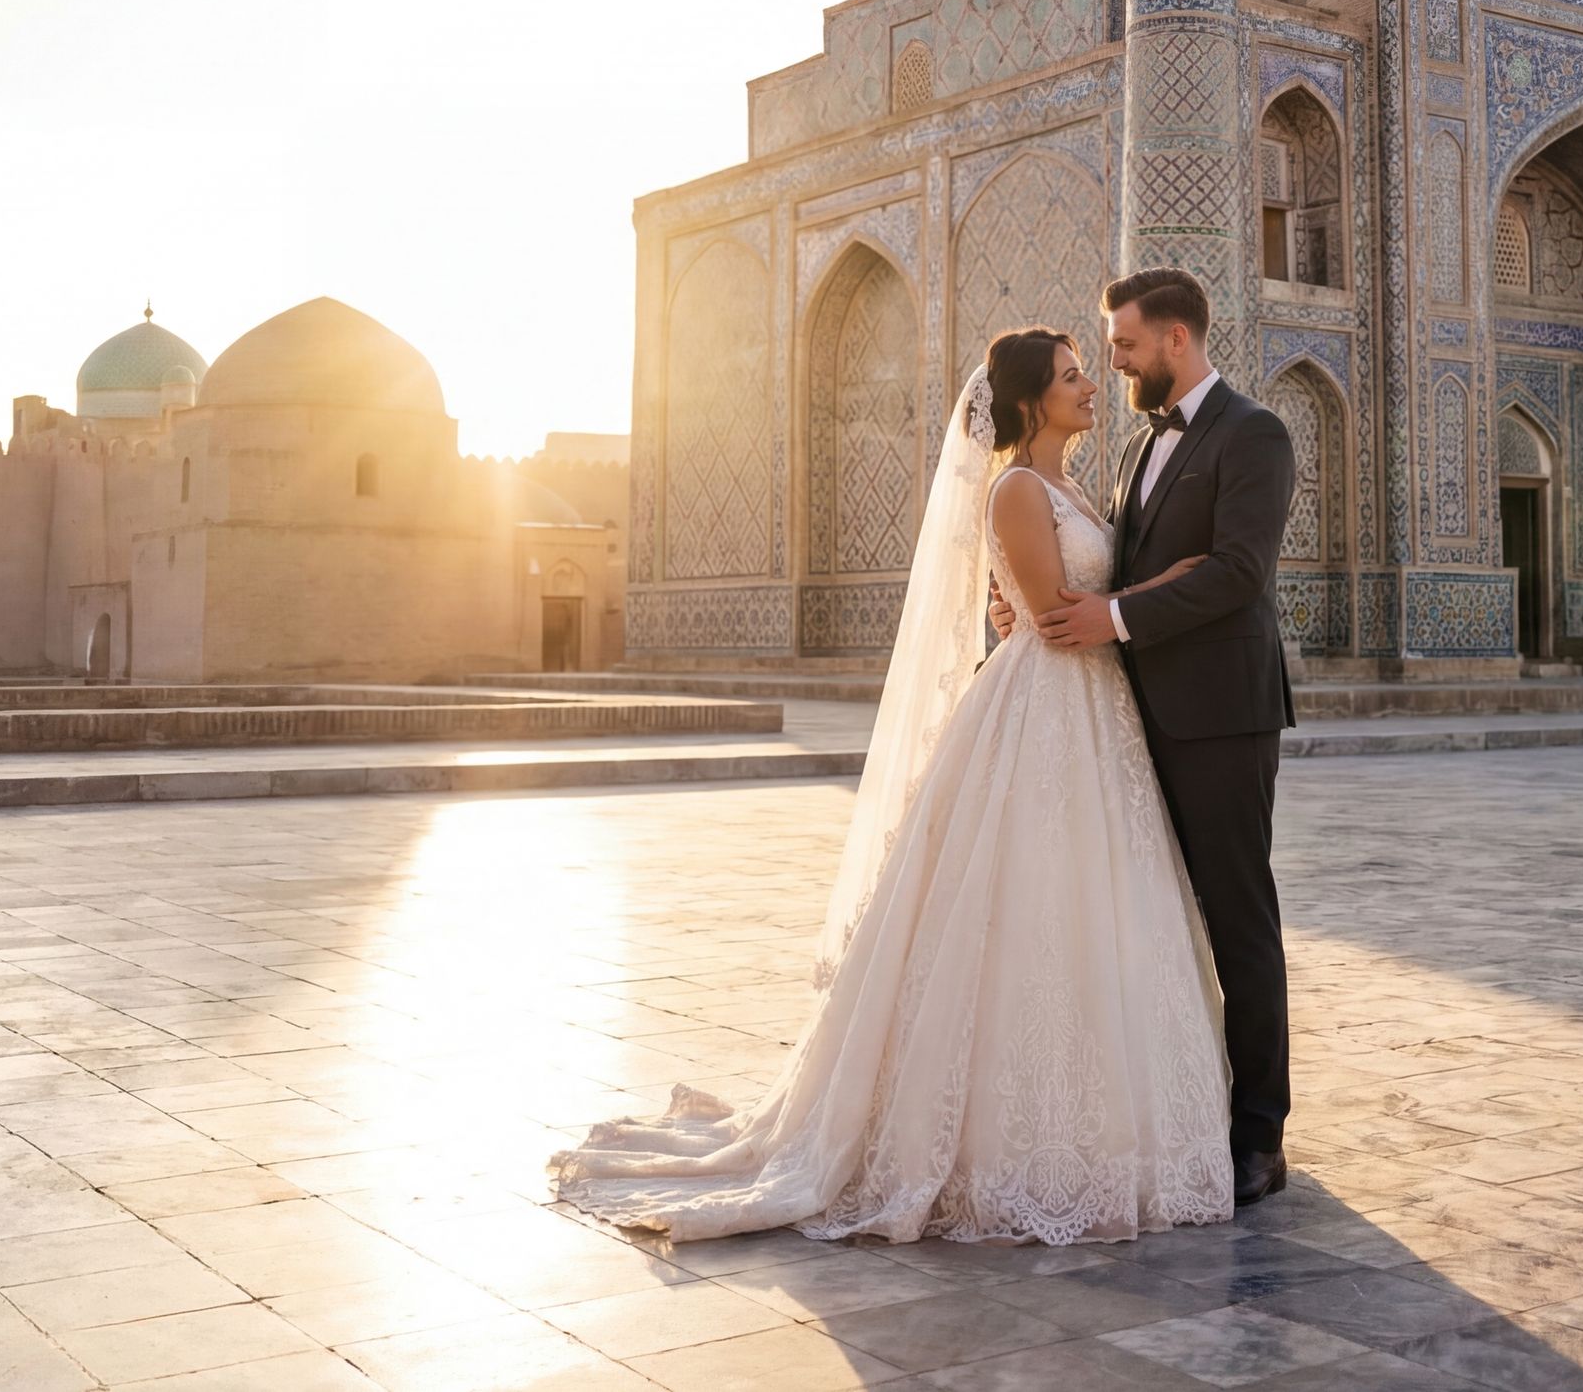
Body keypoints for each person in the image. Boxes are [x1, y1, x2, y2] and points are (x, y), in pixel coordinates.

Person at [550, 327, 1233, 1244]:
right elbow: (1051, 619)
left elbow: (1075, 599)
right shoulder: (1017, 490)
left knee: (1093, 910)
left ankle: (1114, 1132)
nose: (1091, 386)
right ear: (1032, 398)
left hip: (1095, 722)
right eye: (1074, 376)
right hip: (1045, 712)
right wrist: (1174, 584)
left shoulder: (1071, 486)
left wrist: (1135, 596)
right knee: (1026, 914)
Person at [1009, 268, 1298, 1207]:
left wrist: (1114, 615)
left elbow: (1237, 572)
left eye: (1125, 345)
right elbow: (1109, 567)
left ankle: (1258, 1136)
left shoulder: (1254, 434)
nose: (1115, 362)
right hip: (1131, 723)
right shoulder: (1140, 446)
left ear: (1175, 338)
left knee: (1237, 919)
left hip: (1221, 715)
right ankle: (1177, 1112)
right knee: (1156, 922)